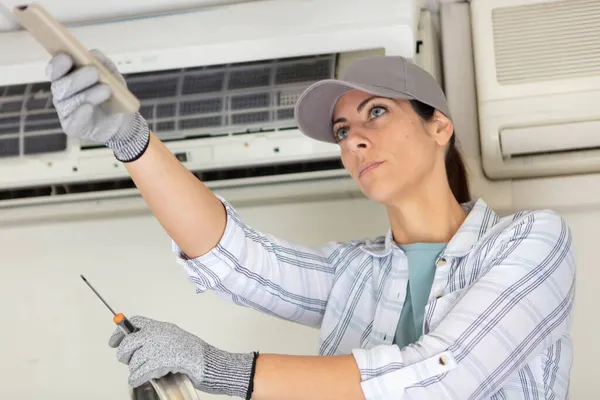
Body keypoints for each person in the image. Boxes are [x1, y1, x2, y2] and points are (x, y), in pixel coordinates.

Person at [46, 50, 575, 400]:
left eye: (377, 113)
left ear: (439, 124)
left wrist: (220, 367)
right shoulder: (352, 273)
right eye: (343, 130)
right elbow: (233, 260)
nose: (353, 140)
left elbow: (444, 375)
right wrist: (129, 138)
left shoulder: (530, 241)